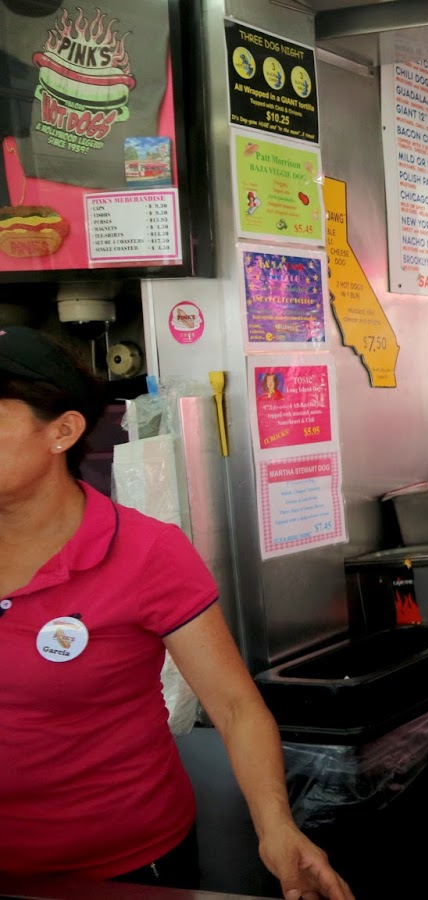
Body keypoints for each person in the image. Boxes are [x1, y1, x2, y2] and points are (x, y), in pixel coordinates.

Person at [0, 328, 349, 899]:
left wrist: (276, 827)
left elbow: (235, 706)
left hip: (122, 869)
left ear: (62, 431)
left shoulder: (144, 553)